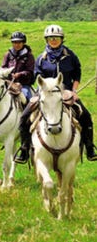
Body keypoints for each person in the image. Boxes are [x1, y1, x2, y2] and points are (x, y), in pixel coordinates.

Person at [14, 24, 95, 164]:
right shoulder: (41, 58)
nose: (53, 40)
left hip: (66, 92)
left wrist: (74, 91)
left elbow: (77, 73)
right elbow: (37, 76)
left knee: (86, 116)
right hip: (45, 93)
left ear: (62, 39)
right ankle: (25, 148)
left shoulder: (71, 56)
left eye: (56, 38)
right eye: (50, 38)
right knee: (24, 117)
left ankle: (90, 148)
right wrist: (41, 91)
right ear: (46, 40)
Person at [1, 31, 35, 102]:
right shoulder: (7, 55)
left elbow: (30, 71)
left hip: (23, 85)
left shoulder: (29, 56)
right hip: (9, 83)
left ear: (23, 43)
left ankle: (28, 113)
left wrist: (20, 74)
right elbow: (3, 68)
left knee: (26, 99)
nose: (17, 44)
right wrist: (9, 74)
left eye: (19, 42)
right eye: (15, 42)